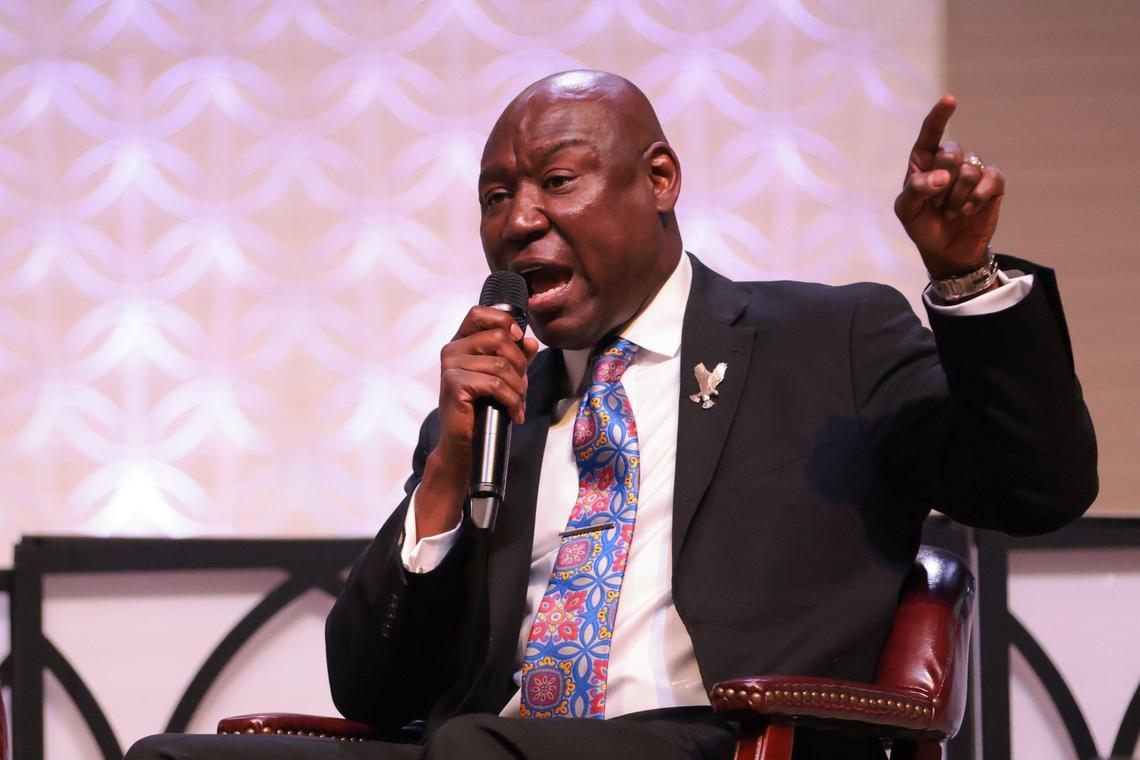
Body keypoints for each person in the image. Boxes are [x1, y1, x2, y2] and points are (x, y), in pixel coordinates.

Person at [126, 71, 1096, 759]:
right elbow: (371, 693)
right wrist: (444, 473)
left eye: (556, 180)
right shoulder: (495, 411)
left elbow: (1037, 485)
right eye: (496, 195)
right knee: (172, 757)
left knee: (478, 747)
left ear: (660, 181)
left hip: (731, 740)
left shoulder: (828, 339)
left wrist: (963, 275)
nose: (516, 220)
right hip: (486, 744)